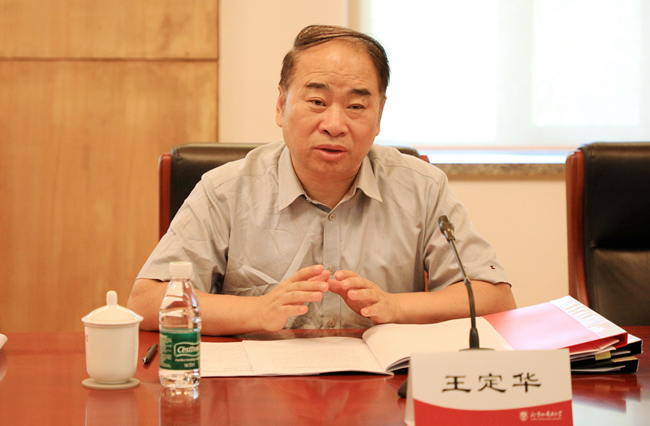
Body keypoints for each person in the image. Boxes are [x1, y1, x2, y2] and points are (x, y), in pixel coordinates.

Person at [127, 25, 516, 335]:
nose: (334, 124)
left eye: (356, 106)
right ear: (281, 105)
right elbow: (147, 301)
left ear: (379, 116)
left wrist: (396, 306)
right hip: (257, 393)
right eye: (317, 102)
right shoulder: (225, 190)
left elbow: (494, 297)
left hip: (382, 391)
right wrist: (258, 311)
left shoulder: (422, 187)